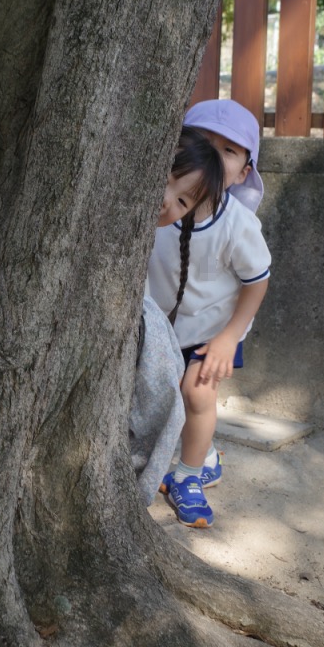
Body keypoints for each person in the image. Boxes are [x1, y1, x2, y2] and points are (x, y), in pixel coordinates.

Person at [147, 99, 271, 528]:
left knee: (197, 394)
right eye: (203, 141)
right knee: (159, 395)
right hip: (162, 327)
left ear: (243, 172)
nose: (213, 156)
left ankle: (188, 476)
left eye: (229, 150)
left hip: (214, 330)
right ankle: (206, 453)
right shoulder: (157, 202)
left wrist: (229, 337)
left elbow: (257, 281)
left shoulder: (237, 224)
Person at [131, 127, 225, 504]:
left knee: (179, 395)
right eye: (167, 179)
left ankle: (183, 470)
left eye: (183, 201)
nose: (167, 200)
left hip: (200, 334)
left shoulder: (227, 228)